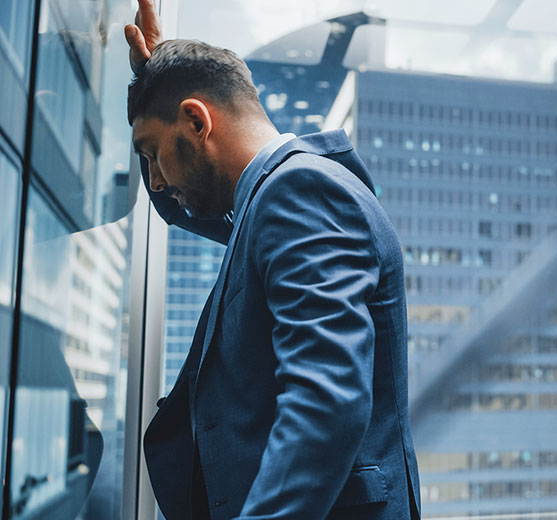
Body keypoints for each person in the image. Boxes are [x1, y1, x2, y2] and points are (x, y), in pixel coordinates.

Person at [124, 1, 420, 518]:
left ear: (196, 121)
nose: (155, 180)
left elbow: (325, 404)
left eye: (153, 153)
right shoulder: (266, 201)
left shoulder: (297, 191)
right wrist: (149, 87)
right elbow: (177, 206)